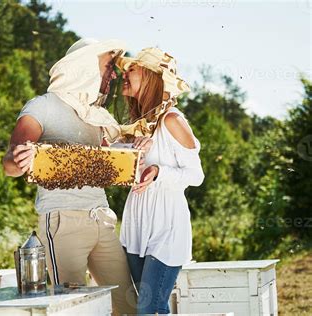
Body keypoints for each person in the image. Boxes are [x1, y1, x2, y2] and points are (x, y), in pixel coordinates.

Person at [3, 38, 136, 315]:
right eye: (109, 65)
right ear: (85, 65)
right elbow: (9, 164)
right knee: (74, 310)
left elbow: (110, 161)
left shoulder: (97, 117)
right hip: (63, 222)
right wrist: (21, 158)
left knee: (128, 306)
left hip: (102, 219)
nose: (113, 74)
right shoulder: (43, 106)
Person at [116, 47, 205, 314]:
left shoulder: (172, 121)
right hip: (135, 228)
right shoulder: (138, 125)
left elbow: (196, 176)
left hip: (166, 229)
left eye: (132, 69)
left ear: (151, 78)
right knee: (148, 309)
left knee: (149, 309)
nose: (125, 73)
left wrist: (158, 171)